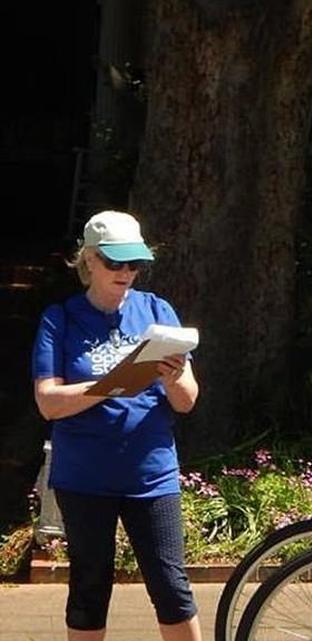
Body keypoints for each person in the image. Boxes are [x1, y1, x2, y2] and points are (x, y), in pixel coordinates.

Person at [31, 210, 201, 641]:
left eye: (134, 263)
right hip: (84, 479)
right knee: (89, 589)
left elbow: (187, 401)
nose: (126, 273)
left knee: (171, 587)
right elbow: (48, 403)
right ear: (88, 260)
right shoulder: (61, 318)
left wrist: (171, 375)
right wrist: (110, 386)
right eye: (114, 263)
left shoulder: (157, 310)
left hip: (152, 475)